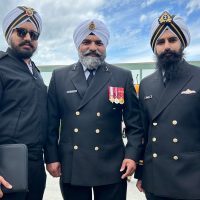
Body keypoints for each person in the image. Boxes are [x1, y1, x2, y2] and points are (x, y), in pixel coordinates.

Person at [45, 19, 144, 200]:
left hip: (112, 165)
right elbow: (51, 124)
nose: (93, 47)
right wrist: (51, 157)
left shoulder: (122, 76)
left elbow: (134, 124)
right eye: (86, 42)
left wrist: (132, 155)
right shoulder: (59, 77)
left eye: (99, 43)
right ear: (78, 46)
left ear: (105, 46)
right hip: (73, 163)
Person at [135, 11, 200, 200]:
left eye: (172, 40)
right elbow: (144, 133)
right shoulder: (146, 83)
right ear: (154, 48)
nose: (167, 46)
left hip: (192, 180)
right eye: (160, 42)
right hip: (156, 180)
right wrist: (141, 172)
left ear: (183, 43)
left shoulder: (198, 77)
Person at [0, 6, 47, 200]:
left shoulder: (35, 72)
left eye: (34, 34)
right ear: (8, 34)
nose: (28, 37)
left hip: (36, 163)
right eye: (21, 32)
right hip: (7, 164)